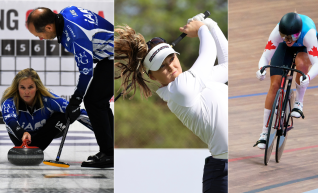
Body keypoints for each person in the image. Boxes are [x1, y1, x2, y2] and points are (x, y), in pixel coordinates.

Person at [115, 13, 228, 193]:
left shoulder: (194, 81)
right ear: (152, 76)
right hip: (224, 170)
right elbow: (209, 52)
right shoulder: (180, 90)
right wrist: (202, 28)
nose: (171, 67)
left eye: (171, 59)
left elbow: (227, 65)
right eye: (161, 66)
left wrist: (211, 24)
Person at [25, 6, 113, 168]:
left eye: (39, 35)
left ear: (49, 27)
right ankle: (110, 150)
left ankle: (109, 154)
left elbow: (87, 73)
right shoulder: (67, 12)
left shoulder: (74, 36)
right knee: (98, 101)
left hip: (116, 57)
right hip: (111, 55)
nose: (41, 39)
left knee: (94, 101)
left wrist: (75, 100)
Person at [254, 12, 318, 149]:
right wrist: (261, 69)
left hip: (303, 46)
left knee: (301, 63)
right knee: (274, 85)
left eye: (292, 37)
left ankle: (299, 102)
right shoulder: (278, 34)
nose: (288, 40)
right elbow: (265, 57)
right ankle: (264, 133)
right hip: (285, 49)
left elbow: (317, 65)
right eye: (285, 37)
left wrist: (307, 77)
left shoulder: (309, 35)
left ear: (298, 33)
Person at [1, 68, 92, 151]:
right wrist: (22, 133)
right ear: (17, 88)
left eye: (30, 87)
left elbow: (76, 111)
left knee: (65, 114)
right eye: (22, 87)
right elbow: (10, 120)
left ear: (37, 87)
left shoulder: (48, 99)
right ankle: (31, 147)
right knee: (10, 125)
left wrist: (101, 128)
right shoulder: (9, 101)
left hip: (44, 135)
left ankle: (36, 148)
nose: (27, 92)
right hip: (20, 136)